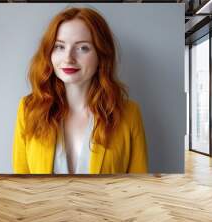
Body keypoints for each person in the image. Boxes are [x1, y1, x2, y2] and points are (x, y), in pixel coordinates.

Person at [13, 7, 147, 174]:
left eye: (83, 48)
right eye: (59, 47)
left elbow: (138, 185)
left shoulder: (129, 113)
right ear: (49, 53)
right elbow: (21, 181)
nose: (68, 58)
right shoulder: (28, 109)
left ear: (101, 55)